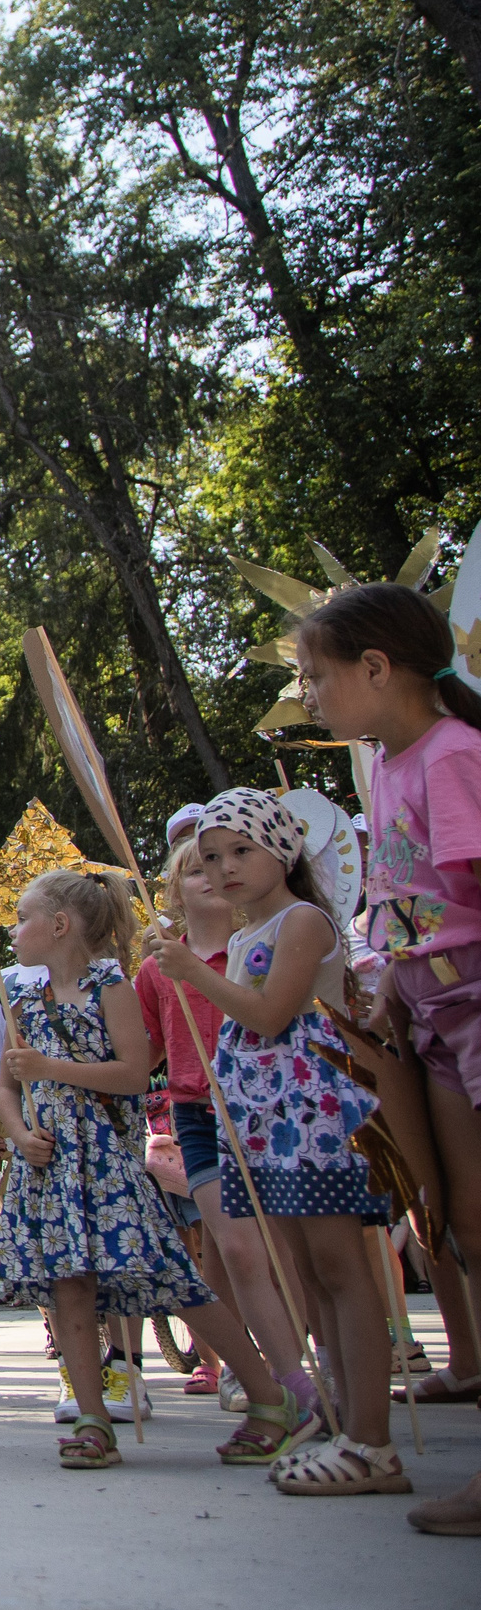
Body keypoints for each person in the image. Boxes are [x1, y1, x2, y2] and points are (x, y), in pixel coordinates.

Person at [290, 583, 481, 1531]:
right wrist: (397, 991)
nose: (309, 694)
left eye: (317, 676)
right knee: (464, 1226)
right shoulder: (391, 765)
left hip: (475, 1005)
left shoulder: (451, 757)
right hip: (431, 1020)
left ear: (376, 667)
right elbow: (413, 905)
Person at [0, 869, 282, 1473]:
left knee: (173, 1281)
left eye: (22, 917)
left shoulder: (110, 990)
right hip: (49, 1172)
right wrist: (18, 1134)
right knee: (69, 1291)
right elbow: (7, 1089)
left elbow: (133, 1072)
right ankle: (93, 1417)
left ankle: (271, 1398)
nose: (12, 930)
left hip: (106, 1169)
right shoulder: (19, 1000)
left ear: (59, 926)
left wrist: (53, 1066)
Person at [156, 791, 400, 1492]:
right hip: (265, 1120)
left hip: (311, 1113)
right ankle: (347, 1424)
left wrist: (194, 973)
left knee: (338, 1267)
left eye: (241, 851)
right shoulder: (248, 932)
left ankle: (372, 1438)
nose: (226, 868)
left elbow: (268, 1014)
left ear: (282, 849)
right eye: (211, 857)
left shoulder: (302, 922)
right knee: (308, 1278)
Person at [138, 837, 310, 1423]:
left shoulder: (258, 946)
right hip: (196, 1113)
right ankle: (272, 1378)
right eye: (193, 870)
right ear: (175, 890)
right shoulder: (157, 969)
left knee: (288, 1250)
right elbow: (141, 1054)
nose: (209, 877)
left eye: (219, 864)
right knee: (235, 1248)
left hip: (266, 1107)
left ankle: (305, 1367)